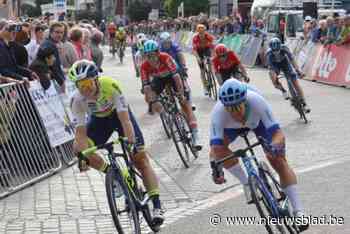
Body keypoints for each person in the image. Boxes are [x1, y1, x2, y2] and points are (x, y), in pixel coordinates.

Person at [68, 60, 165, 226]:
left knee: (140, 158)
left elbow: (125, 120)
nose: (85, 89)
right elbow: (80, 133)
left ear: (96, 79)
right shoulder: (76, 100)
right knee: (78, 149)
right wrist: (83, 157)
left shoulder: (111, 85)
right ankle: (115, 177)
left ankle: (157, 205)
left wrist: (132, 143)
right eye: (80, 85)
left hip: (119, 117)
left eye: (87, 83)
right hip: (99, 122)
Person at [209, 79, 309, 232]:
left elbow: (277, 134)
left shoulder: (256, 100)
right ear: (224, 107)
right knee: (219, 150)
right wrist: (216, 168)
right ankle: (246, 182)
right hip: (231, 129)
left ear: (245, 101)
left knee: (278, 161)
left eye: (238, 107)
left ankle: (299, 211)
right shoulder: (218, 112)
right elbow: (215, 147)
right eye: (230, 109)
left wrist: (275, 147)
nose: (236, 113)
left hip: (258, 123)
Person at [140, 40, 201, 148]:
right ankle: (166, 114)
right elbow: (146, 86)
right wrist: (153, 102)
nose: (151, 59)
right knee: (150, 93)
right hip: (160, 79)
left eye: (153, 55)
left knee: (185, 105)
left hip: (174, 76)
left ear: (158, 53)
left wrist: (181, 94)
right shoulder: (144, 66)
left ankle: (195, 134)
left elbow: (176, 77)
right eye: (148, 56)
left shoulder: (165, 57)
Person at [266, 37, 311, 113]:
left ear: (280, 47)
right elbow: (271, 69)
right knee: (273, 78)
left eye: (278, 50)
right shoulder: (269, 54)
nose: (276, 52)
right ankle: (283, 90)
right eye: (274, 51)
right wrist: (275, 78)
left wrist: (298, 70)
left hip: (285, 63)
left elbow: (292, 60)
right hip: (275, 65)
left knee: (295, 83)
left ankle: (304, 103)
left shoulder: (285, 48)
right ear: (271, 49)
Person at [40, 22, 66, 92]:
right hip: (46, 82)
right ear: (51, 32)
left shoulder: (49, 44)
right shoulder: (50, 45)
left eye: (62, 32)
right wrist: (62, 82)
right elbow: (53, 67)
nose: (60, 35)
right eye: (57, 32)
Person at [192, 24, 215, 96]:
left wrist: (213, 57)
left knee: (210, 60)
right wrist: (198, 58)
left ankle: (211, 73)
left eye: (202, 32)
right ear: (197, 32)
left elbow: (212, 48)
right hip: (199, 51)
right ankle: (205, 87)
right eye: (200, 33)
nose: (201, 34)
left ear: (205, 31)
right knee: (202, 70)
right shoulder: (195, 38)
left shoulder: (209, 37)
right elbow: (194, 50)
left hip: (206, 49)